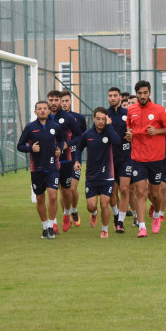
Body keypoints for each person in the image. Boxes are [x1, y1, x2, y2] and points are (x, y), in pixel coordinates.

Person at [125, 80, 166, 237]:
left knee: (154, 193)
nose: (142, 96)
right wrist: (129, 134)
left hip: (156, 158)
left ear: (149, 93)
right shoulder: (131, 110)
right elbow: (129, 126)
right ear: (136, 94)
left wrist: (158, 131)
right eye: (139, 93)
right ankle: (142, 227)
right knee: (141, 192)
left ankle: (156, 214)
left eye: (145, 93)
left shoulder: (159, 110)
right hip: (137, 158)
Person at [17, 101, 66, 239]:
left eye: (45, 108)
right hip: (37, 169)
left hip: (53, 168)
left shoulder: (55, 127)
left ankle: (51, 226)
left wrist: (59, 149)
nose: (43, 111)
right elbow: (20, 145)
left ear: (49, 111)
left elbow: (62, 141)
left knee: (53, 196)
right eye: (40, 109)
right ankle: (45, 227)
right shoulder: (30, 128)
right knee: (40, 198)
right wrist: (31, 149)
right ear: (35, 112)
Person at [72, 107, 121, 238]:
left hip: (107, 176)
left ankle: (104, 229)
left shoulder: (109, 133)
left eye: (103, 119)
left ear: (107, 120)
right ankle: (94, 213)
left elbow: (117, 142)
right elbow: (79, 149)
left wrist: (109, 126)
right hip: (91, 176)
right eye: (98, 119)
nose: (100, 122)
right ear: (94, 118)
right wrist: (76, 161)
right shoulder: (87, 134)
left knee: (105, 204)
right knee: (91, 206)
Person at [46, 90, 83, 234]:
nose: (54, 103)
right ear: (48, 100)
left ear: (61, 101)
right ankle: (53, 223)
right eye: (51, 100)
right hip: (48, 161)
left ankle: (67, 213)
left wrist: (67, 144)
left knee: (67, 191)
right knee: (52, 193)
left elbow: (79, 136)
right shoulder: (44, 116)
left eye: (57, 100)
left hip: (66, 160)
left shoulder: (67, 117)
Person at [106, 87, 132, 233]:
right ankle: (116, 215)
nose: (112, 98)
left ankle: (120, 222)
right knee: (112, 191)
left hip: (126, 156)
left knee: (124, 188)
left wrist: (131, 135)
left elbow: (134, 130)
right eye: (110, 96)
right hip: (109, 158)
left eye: (115, 95)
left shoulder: (127, 114)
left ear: (120, 97)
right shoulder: (104, 115)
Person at [60, 89, 87, 227]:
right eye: (62, 101)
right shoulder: (54, 118)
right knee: (63, 190)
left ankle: (74, 210)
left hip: (74, 157)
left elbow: (83, 138)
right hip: (61, 158)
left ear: (71, 101)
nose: (64, 103)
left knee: (72, 188)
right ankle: (66, 213)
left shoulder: (79, 118)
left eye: (66, 101)